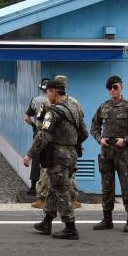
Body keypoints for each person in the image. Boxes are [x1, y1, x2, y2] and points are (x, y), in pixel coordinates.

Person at [23, 79, 88, 240]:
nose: (47, 95)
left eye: (48, 92)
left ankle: (70, 227)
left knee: (61, 190)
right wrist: (71, 144)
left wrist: (30, 154)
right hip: (71, 155)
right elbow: (84, 133)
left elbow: (43, 135)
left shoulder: (53, 112)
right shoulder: (75, 108)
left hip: (58, 156)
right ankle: (47, 221)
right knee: (55, 187)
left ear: (54, 92)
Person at [90, 75, 128, 232]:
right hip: (107, 152)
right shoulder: (103, 107)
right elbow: (94, 127)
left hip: (124, 153)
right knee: (107, 187)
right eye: (110, 88)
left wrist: (126, 139)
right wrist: (99, 139)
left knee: (127, 187)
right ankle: (107, 219)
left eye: (115, 87)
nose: (113, 90)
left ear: (122, 87)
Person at [30, 75, 83, 210]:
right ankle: (51, 203)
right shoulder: (72, 103)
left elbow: (40, 125)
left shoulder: (53, 103)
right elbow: (83, 129)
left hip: (54, 146)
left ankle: (61, 204)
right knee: (62, 174)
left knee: (52, 173)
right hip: (67, 147)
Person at [24, 78, 50, 207]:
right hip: (51, 135)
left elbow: (26, 117)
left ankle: (33, 187)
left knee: (36, 159)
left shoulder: (35, 100)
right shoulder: (53, 100)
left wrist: (34, 126)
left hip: (38, 133)